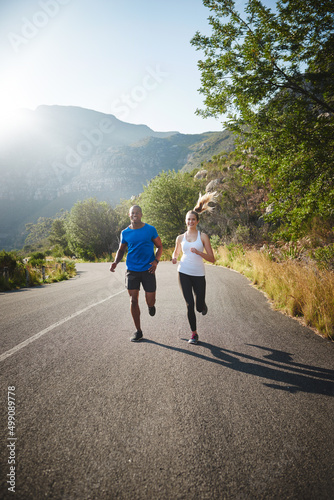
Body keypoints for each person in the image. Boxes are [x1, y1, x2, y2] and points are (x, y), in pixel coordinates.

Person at [110, 205, 163, 342]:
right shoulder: (125, 233)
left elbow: (159, 246)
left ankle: (151, 306)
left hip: (148, 269)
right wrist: (116, 262)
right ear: (129, 215)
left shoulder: (150, 229)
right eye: (132, 213)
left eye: (137, 212)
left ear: (141, 214)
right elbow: (121, 250)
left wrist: (156, 261)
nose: (135, 215)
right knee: (133, 300)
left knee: (150, 300)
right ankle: (138, 331)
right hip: (132, 270)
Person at [172, 193, 216, 344]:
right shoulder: (180, 238)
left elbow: (212, 259)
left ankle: (202, 305)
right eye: (188, 219)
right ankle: (194, 334)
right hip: (183, 272)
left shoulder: (203, 237)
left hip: (199, 274)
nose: (190, 221)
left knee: (198, 307)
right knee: (189, 304)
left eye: (193, 219)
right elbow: (176, 252)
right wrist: (174, 257)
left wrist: (199, 252)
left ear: (197, 221)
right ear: (186, 221)